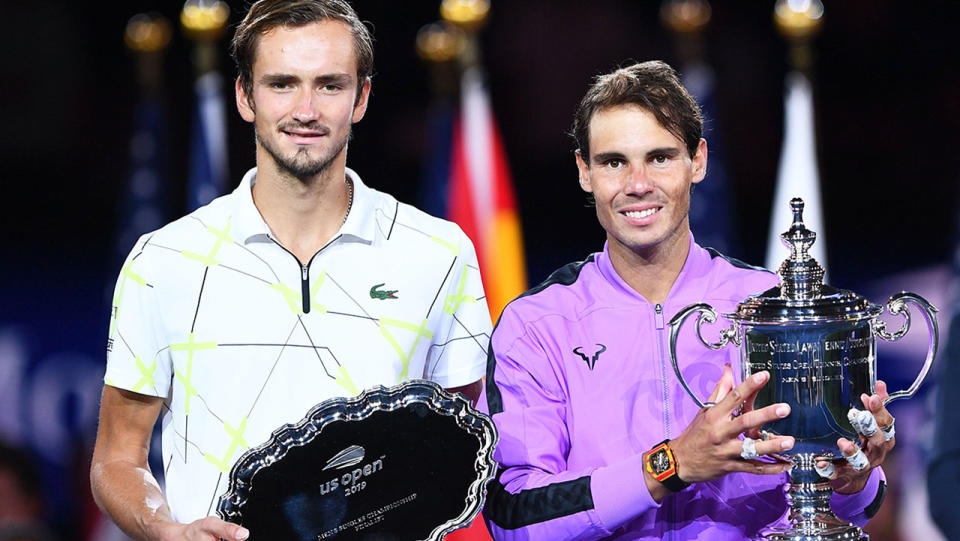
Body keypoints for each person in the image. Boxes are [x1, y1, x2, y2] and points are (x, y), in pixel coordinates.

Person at [90, 2, 491, 540]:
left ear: (362, 97)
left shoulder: (440, 252)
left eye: (329, 85)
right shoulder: (164, 261)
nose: (306, 109)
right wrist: (164, 530)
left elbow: (462, 442)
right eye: (282, 84)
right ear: (244, 96)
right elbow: (117, 458)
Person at [478, 61, 894, 539]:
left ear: (697, 161)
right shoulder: (537, 324)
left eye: (660, 157)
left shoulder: (770, 307)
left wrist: (853, 475)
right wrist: (670, 465)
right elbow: (514, 517)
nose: (637, 184)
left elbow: (860, 503)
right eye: (614, 161)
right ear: (584, 172)